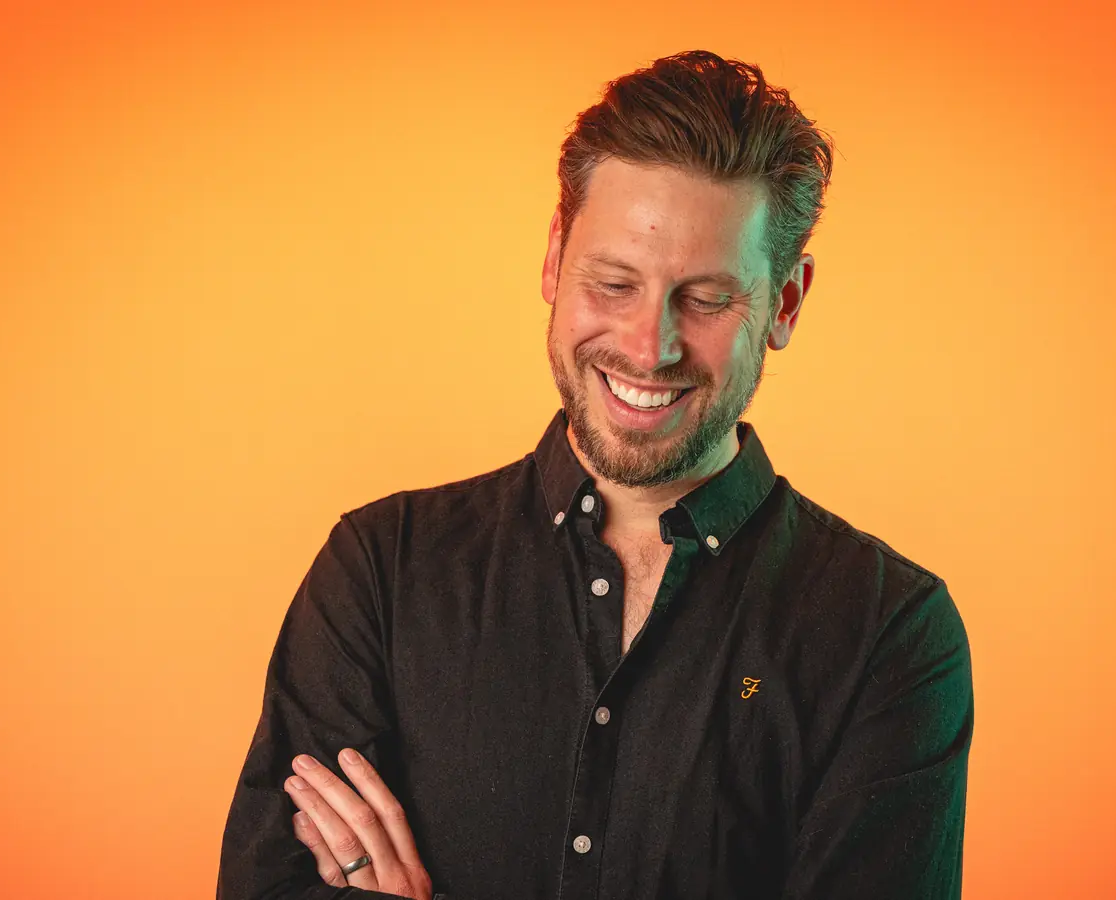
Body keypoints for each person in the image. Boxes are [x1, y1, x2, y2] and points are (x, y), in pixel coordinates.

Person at [218, 49, 973, 900]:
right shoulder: (378, 571)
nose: (649, 348)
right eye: (614, 283)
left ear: (786, 303)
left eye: (707, 299)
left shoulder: (887, 630)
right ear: (553, 260)